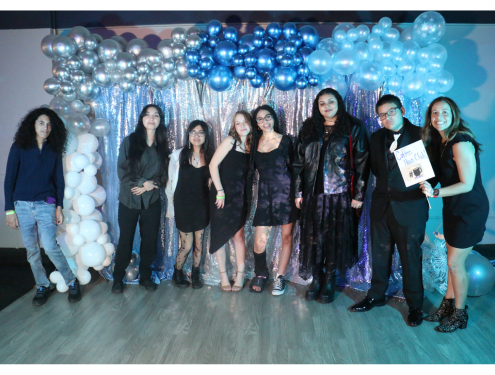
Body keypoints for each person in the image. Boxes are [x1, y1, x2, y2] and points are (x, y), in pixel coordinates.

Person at [349, 94, 428, 327]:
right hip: (382, 205)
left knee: (410, 256)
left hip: (411, 206)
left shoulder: (422, 134)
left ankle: (415, 304)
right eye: (381, 115)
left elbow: (433, 169)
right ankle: (376, 295)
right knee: (380, 253)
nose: (386, 118)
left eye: (390, 112)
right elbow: (370, 170)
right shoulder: (376, 137)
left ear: (402, 109)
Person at [293, 88, 370, 303]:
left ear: (339, 103)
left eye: (331, 102)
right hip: (312, 195)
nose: (326, 106)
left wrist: (359, 195)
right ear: (317, 107)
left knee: (333, 239)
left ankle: (329, 281)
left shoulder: (353, 127)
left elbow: (363, 163)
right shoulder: (309, 127)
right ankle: (316, 279)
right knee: (313, 238)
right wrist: (298, 191)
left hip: (340, 195)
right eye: (322, 103)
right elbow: (299, 162)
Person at [419, 97, 488, 333]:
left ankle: (460, 314)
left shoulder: (460, 141)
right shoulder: (443, 141)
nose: (439, 117)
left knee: (454, 263)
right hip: (453, 209)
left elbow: (467, 184)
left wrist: (435, 192)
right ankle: (447, 306)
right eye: (434, 113)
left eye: (444, 112)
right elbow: (438, 174)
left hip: (470, 210)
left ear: (454, 114)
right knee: (452, 263)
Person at [4, 107, 82, 305]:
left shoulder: (53, 150)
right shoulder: (19, 147)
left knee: (49, 245)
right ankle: (42, 285)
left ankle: (72, 281)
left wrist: (58, 207)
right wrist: (9, 210)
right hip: (21, 206)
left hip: (46, 204)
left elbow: (58, 180)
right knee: (31, 250)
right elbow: (9, 180)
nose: (45, 127)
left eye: (48, 124)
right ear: (32, 124)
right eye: (41, 123)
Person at [112, 104, 169, 294]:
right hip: (129, 198)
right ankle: (117, 278)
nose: (151, 118)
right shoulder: (130, 141)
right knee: (125, 239)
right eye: (147, 115)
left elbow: (163, 176)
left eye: (156, 115)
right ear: (141, 119)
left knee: (150, 240)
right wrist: (143, 183)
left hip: (151, 200)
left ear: (160, 120)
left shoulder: (162, 145)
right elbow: (122, 171)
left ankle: (145, 277)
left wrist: (151, 185)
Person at [248, 105, 299, 295]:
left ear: (274, 118)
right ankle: (261, 273)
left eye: (267, 117)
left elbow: (296, 170)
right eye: (260, 119)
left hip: (286, 193)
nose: (264, 121)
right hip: (265, 196)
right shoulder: (254, 143)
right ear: (257, 124)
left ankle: (280, 278)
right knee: (259, 242)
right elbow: (247, 171)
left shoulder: (286, 141)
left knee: (286, 237)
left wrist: (298, 195)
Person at [166, 120, 213, 289]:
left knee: (199, 245)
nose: (196, 136)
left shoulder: (210, 156)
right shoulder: (178, 155)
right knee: (186, 245)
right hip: (183, 205)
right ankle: (177, 272)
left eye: (200, 132)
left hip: (202, 205)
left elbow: (211, 183)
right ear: (188, 135)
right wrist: (172, 207)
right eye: (193, 132)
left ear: (206, 136)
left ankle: (195, 273)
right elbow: (170, 184)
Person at [209, 111, 252, 292]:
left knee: (238, 236)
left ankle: (240, 275)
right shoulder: (230, 141)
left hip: (240, 196)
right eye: (237, 123)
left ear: (250, 124)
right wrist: (219, 191)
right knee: (220, 236)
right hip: (222, 195)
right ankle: (224, 276)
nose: (241, 126)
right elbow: (213, 165)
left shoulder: (254, 145)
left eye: (244, 122)